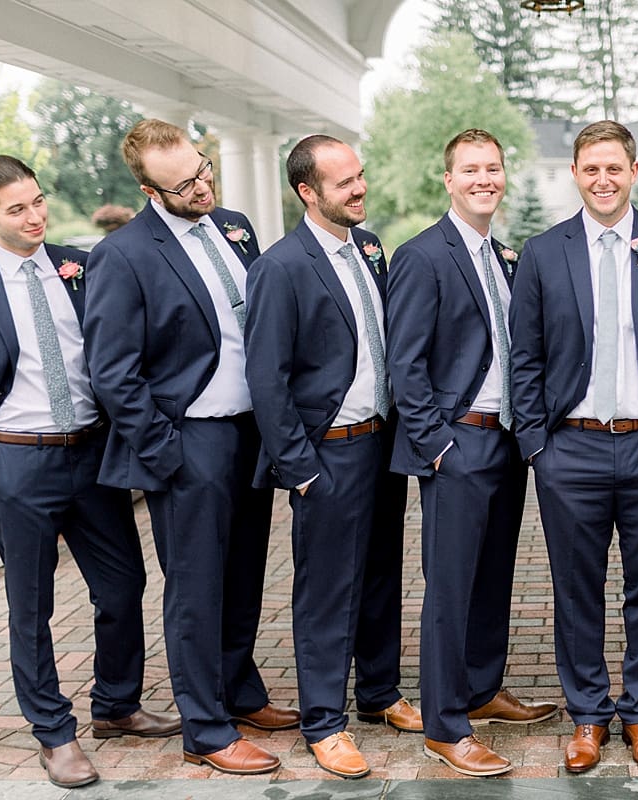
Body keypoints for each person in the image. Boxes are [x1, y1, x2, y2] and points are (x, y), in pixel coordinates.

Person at [0, 156, 179, 788]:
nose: (34, 216)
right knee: (32, 604)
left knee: (124, 585)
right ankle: (54, 731)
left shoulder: (82, 266)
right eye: (17, 208)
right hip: (17, 459)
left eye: (39, 201)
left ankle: (117, 706)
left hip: (94, 454)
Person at [83, 119, 296, 775]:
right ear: (151, 190)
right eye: (186, 185)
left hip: (249, 434)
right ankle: (205, 729)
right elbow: (113, 371)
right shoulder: (122, 255)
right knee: (196, 591)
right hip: (190, 439)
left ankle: (239, 691)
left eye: (204, 170)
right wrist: (167, 452)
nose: (204, 187)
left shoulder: (235, 225)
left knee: (243, 577)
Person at [509, 120, 638, 774]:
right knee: (576, 588)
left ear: (633, 172)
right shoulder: (543, 252)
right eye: (591, 168)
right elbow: (526, 357)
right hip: (571, 450)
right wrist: (538, 443)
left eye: (614, 168)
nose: (603, 179)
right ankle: (589, 716)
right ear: (576, 173)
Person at [245, 134, 420, 778]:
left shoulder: (368, 250)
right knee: (327, 592)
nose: (359, 189)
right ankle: (324, 721)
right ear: (307, 192)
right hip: (329, 455)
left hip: (380, 444)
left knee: (380, 576)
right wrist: (304, 471)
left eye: (360, 176)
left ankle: (379, 694)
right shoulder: (281, 266)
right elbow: (267, 379)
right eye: (343, 182)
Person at [387, 129, 557, 778]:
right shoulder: (423, 255)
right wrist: (437, 447)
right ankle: (444, 725)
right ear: (449, 180)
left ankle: (483, 689)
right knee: (450, 591)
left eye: (493, 168)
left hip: (506, 443)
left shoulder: (504, 256)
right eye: (471, 170)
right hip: (457, 443)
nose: (484, 178)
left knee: (492, 579)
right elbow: (405, 361)